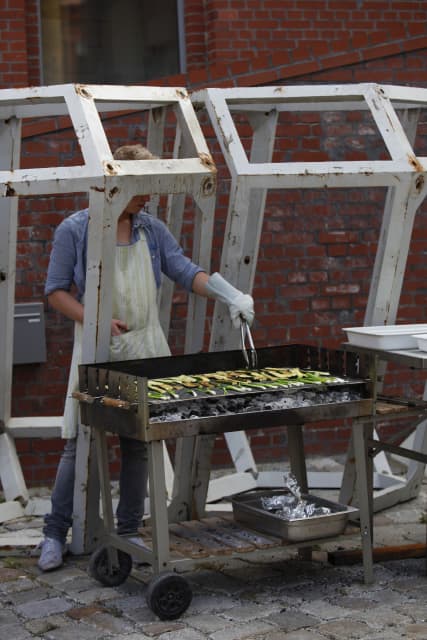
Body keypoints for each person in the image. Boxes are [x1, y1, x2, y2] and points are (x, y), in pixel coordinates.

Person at [38, 143, 255, 571]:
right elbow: (56, 291)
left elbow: (183, 268)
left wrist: (228, 294)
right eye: (142, 187)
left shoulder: (151, 230)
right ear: (117, 183)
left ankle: (128, 533)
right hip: (98, 352)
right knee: (78, 445)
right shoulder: (75, 230)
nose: (149, 196)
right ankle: (54, 532)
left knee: (138, 445)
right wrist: (96, 320)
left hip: (145, 353)